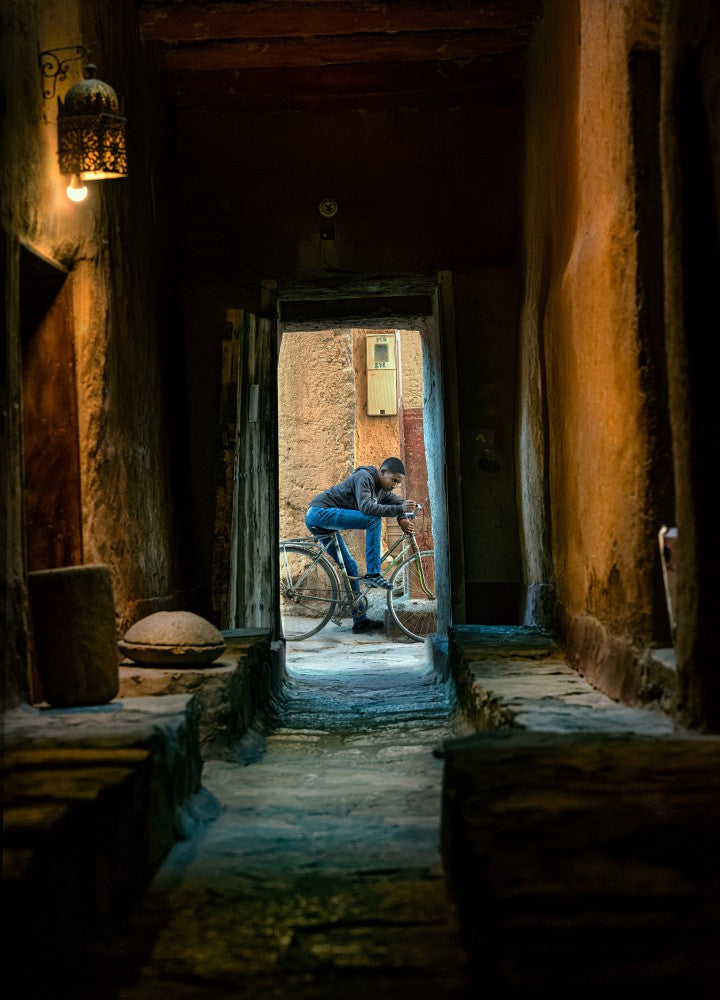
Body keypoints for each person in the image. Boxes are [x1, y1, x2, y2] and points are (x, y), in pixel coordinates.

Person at [305, 458, 417, 633]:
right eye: (394, 480)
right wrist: (399, 510)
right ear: (382, 472)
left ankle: (360, 621)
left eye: (398, 483)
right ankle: (373, 573)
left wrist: (402, 518)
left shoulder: (382, 491)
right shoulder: (364, 477)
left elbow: (398, 504)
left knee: (350, 566)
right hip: (320, 513)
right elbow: (366, 507)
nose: (395, 485)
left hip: (321, 519)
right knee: (373, 520)